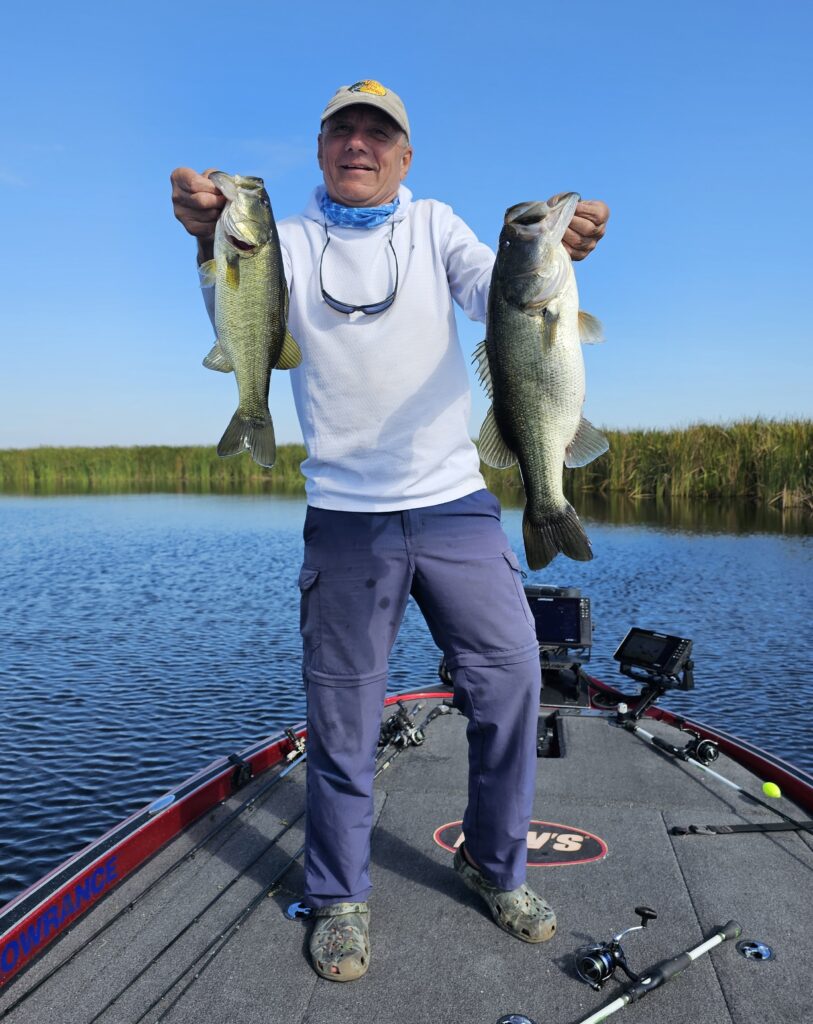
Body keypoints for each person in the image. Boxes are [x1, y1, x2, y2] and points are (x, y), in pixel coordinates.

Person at [170, 80, 609, 983]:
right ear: (320, 148)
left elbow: (500, 295)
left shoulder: (436, 225)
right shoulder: (280, 239)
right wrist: (201, 237)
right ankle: (336, 896)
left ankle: (492, 865)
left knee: (511, 687)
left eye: (380, 134)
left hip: (455, 504)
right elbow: (234, 306)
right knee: (341, 720)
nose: (360, 145)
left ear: (405, 157)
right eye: (343, 131)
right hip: (343, 518)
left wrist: (555, 248)